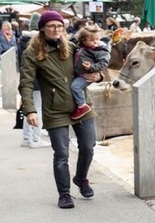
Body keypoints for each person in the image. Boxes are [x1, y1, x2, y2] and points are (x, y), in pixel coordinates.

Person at [19, 11, 100, 209]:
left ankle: (81, 179)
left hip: (82, 106)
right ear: (42, 29)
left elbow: (90, 67)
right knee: (62, 154)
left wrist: (98, 76)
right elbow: (26, 83)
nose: (56, 30)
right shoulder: (32, 53)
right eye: (51, 26)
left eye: (60, 26)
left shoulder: (72, 47)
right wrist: (30, 110)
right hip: (55, 109)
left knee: (88, 147)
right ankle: (64, 194)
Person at [69, 26, 110, 121]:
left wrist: (91, 67)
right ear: (83, 40)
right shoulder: (80, 47)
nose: (96, 42)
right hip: (79, 74)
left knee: (75, 87)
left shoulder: (99, 50)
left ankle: (82, 105)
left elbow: (103, 64)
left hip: (86, 76)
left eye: (97, 39)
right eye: (92, 40)